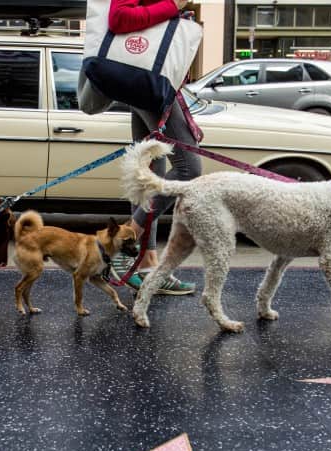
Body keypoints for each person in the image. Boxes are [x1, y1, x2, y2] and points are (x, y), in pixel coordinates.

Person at [105, 0, 197, 295]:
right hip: (149, 81)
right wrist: (173, 6)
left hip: (149, 77)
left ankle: (147, 265)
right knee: (188, 168)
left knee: (148, 171)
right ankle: (123, 244)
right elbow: (119, 18)